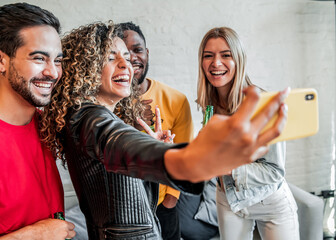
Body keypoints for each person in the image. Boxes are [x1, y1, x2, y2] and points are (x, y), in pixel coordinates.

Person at [39, 21, 289, 239]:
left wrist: (157, 146)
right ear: (87, 68)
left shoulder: (100, 114)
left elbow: (128, 169)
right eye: (110, 57)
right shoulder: (89, 118)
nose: (126, 65)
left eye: (126, 56)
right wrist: (197, 158)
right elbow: (116, 141)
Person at [196, 27, 299, 240]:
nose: (216, 63)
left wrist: (226, 164)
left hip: (269, 202)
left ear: (239, 60)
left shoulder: (261, 105)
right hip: (228, 199)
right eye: (209, 56)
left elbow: (274, 171)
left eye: (226, 55)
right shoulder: (209, 105)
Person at [0, 3, 75, 239]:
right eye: (39, 58)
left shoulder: (48, 124)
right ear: (2, 61)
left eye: (58, 60)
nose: (53, 72)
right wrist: (34, 235)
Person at [119, 21, 194, 240]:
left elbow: (186, 155)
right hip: (123, 204)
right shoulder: (105, 103)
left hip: (163, 205)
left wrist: (170, 200)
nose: (133, 57)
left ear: (147, 53)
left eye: (137, 50)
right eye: (124, 52)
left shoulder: (176, 100)